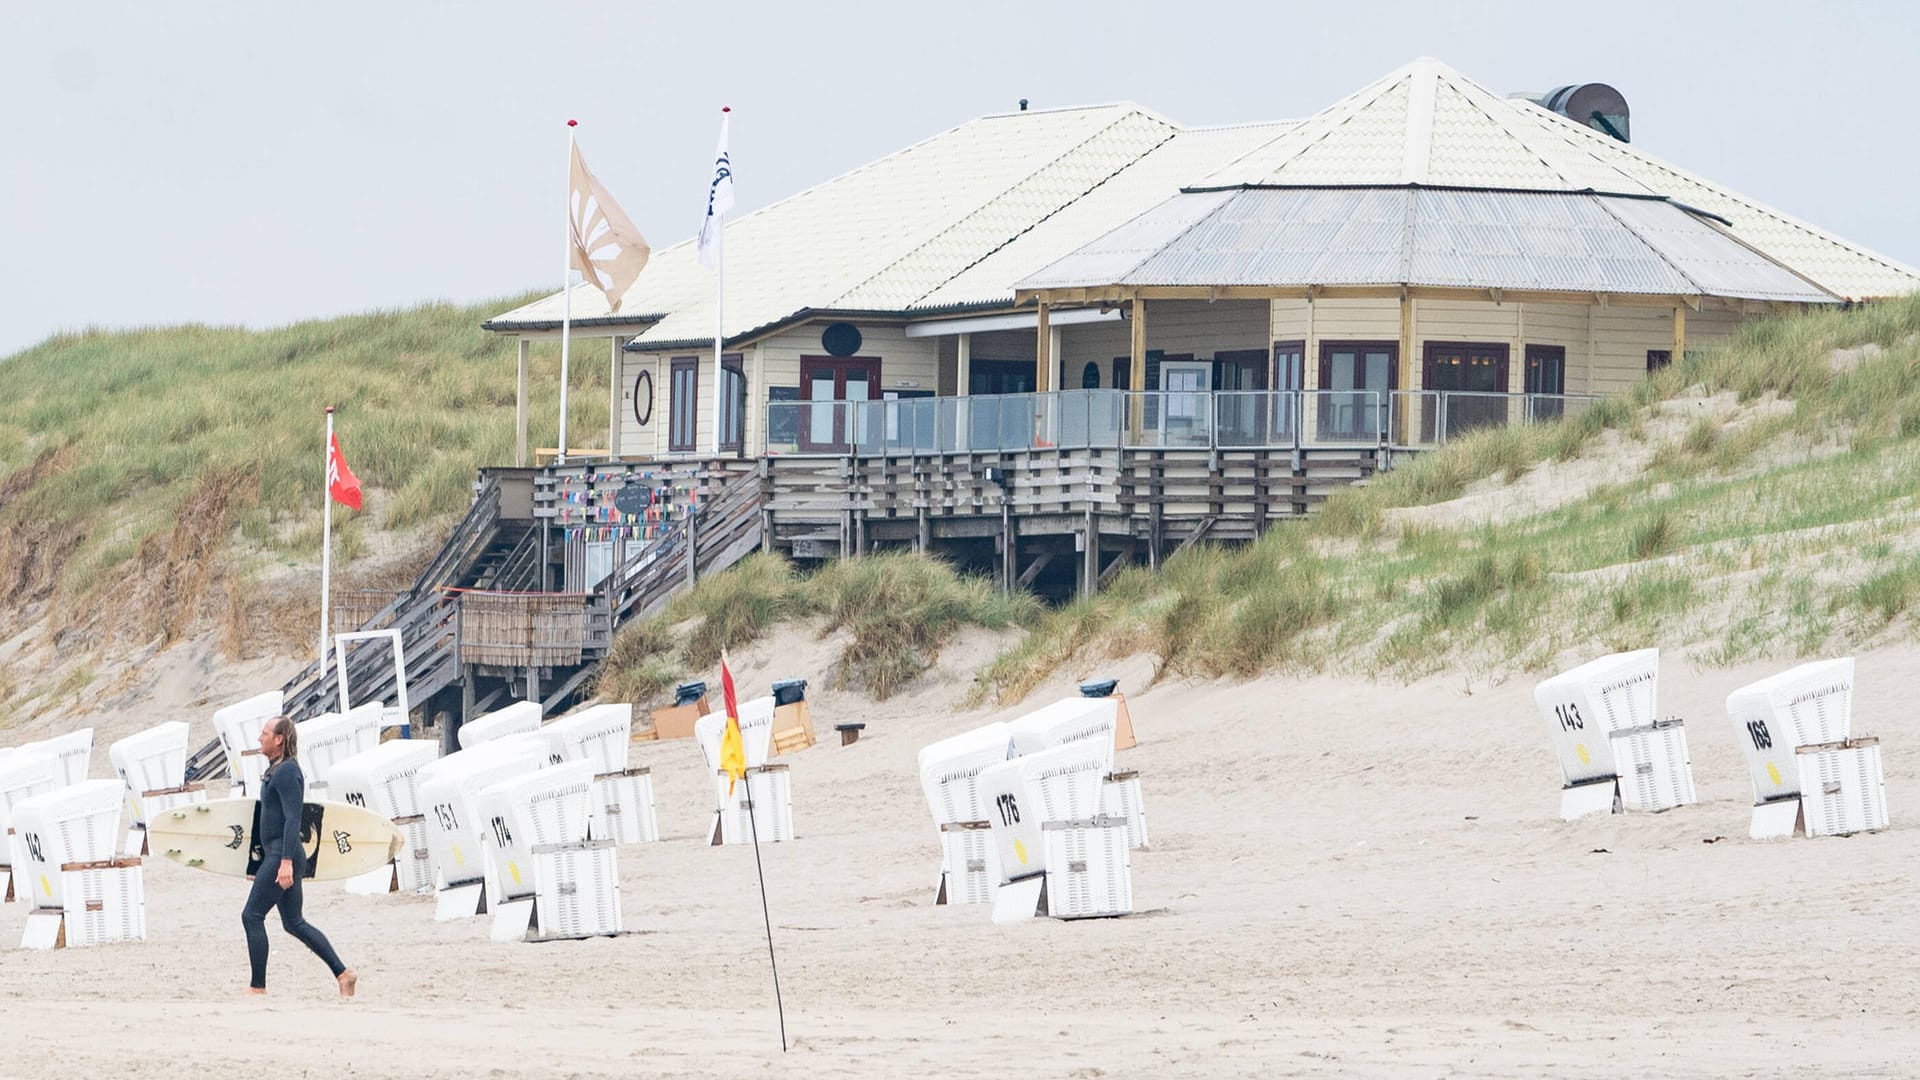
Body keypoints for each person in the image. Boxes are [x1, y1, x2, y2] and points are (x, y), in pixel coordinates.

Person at [242, 715, 357, 997]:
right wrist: (260, 863)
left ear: (278, 739)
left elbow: (294, 819)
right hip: (277, 854)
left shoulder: (288, 773)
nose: (260, 737)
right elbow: (268, 818)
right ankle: (343, 974)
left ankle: (258, 987)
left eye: (265, 733)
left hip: (285, 854)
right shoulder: (275, 770)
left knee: (251, 915)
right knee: (293, 923)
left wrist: (284, 864)